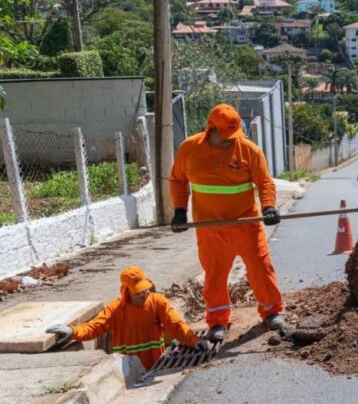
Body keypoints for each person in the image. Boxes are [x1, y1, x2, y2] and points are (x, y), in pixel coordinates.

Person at [169, 103, 286, 342]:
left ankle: (272, 311)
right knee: (214, 276)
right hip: (210, 228)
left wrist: (269, 207)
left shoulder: (249, 150)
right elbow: (177, 180)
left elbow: (265, 182)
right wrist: (180, 210)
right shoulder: (189, 149)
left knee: (261, 269)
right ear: (210, 128)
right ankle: (217, 321)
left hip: (246, 224)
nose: (231, 140)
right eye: (225, 135)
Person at [46, 267, 206, 371]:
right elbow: (95, 327)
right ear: (126, 290)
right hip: (128, 370)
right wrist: (72, 331)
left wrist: (194, 341)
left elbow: (176, 324)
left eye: (145, 289)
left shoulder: (158, 301)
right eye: (138, 292)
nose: (144, 294)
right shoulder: (116, 309)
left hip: (156, 365)